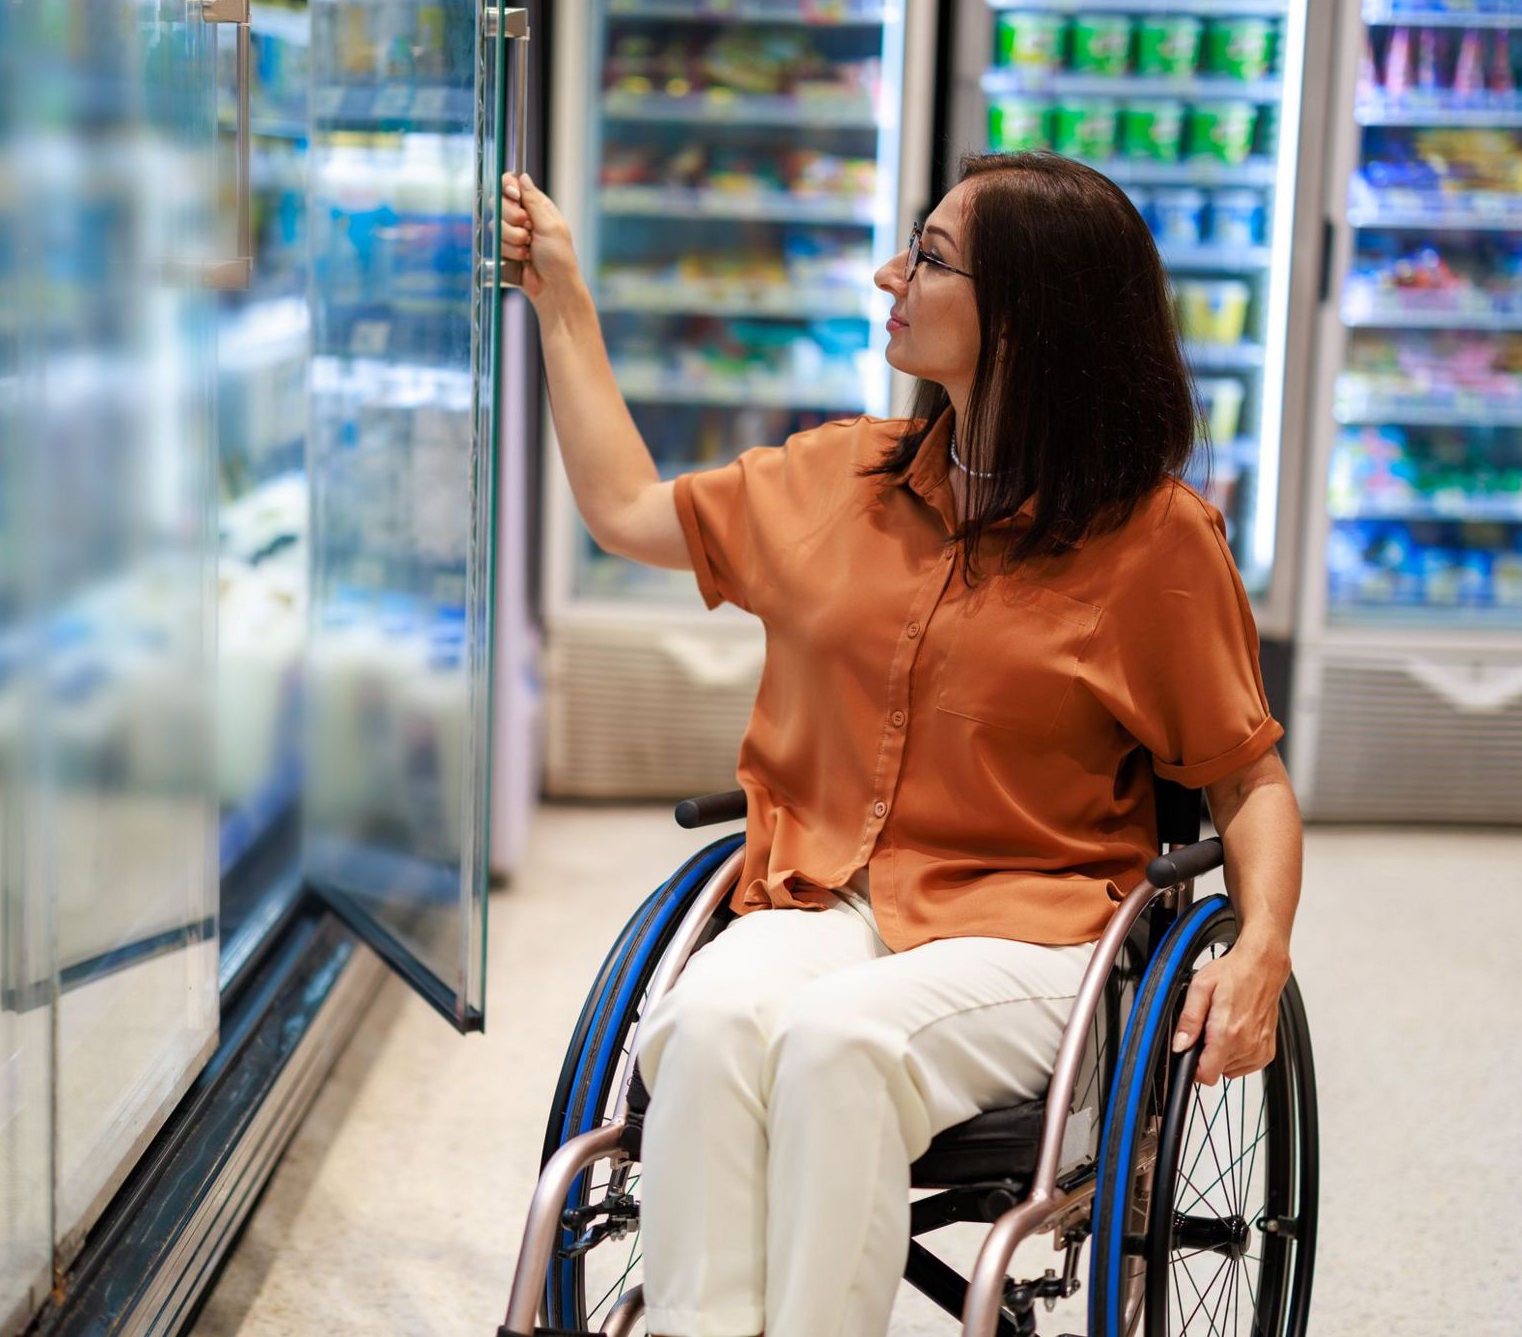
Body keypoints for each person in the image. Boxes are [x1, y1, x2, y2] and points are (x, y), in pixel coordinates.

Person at [500, 151, 1302, 1337]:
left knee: (843, 1044)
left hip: (1033, 933)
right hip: (822, 897)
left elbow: (1246, 778)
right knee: (707, 1024)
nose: (890, 273)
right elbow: (625, 509)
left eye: (927, 258)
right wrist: (560, 293)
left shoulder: (1154, 544)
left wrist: (1261, 950)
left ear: (1027, 318)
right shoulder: (842, 477)